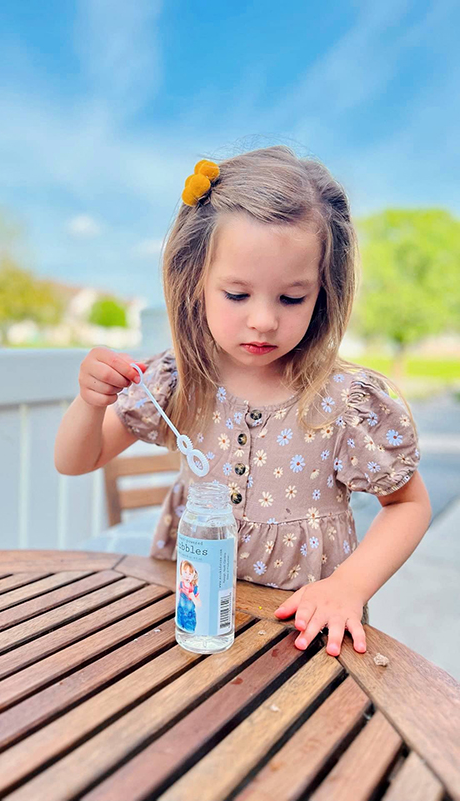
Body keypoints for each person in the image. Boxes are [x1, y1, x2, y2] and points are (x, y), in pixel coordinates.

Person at [54, 145, 432, 658]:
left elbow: (408, 505)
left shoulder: (346, 401)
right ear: (196, 285)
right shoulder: (179, 380)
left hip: (301, 639)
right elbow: (77, 460)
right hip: (184, 621)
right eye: (236, 294)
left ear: (324, 291)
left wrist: (349, 587)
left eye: (292, 298)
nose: (263, 321)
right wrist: (89, 402)